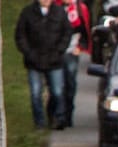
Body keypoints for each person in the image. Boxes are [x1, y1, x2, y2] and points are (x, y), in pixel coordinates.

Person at [15, 0, 74, 130]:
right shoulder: (28, 12)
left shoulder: (59, 12)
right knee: (35, 93)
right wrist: (29, 53)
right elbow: (20, 35)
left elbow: (67, 33)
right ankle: (39, 123)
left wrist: (59, 51)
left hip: (55, 60)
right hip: (34, 61)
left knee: (57, 92)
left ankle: (56, 118)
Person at [61, 0, 92, 129]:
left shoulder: (80, 8)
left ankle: (68, 114)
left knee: (70, 82)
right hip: (55, 52)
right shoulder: (53, 7)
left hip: (72, 52)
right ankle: (58, 114)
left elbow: (85, 30)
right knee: (57, 86)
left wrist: (81, 46)